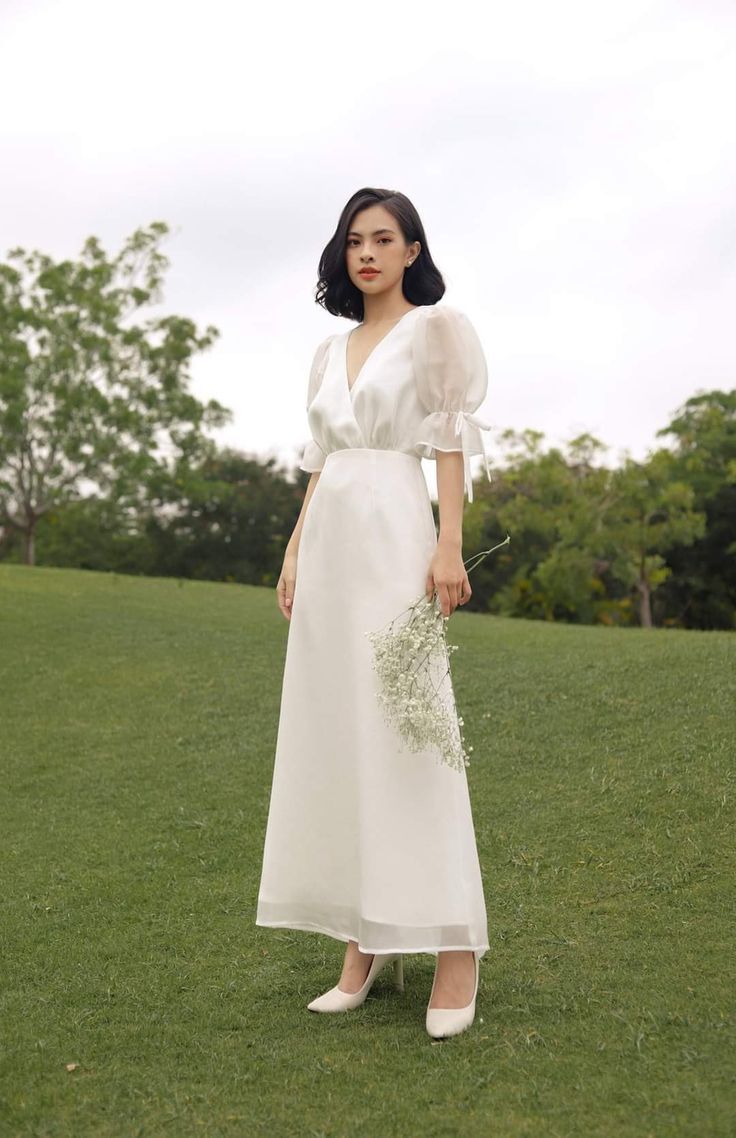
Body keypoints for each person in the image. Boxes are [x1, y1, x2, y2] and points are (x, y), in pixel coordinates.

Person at [255, 186, 492, 1039]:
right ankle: (367, 937)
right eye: (355, 239)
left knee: (411, 730)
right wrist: (293, 548)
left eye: (384, 239)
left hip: (398, 531)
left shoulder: (435, 331)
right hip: (329, 550)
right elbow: (321, 462)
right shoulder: (328, 350)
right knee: (341, 734)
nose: (366, 253)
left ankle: (456, 945)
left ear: (412, 251)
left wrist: (449, 545)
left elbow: (451, 439)